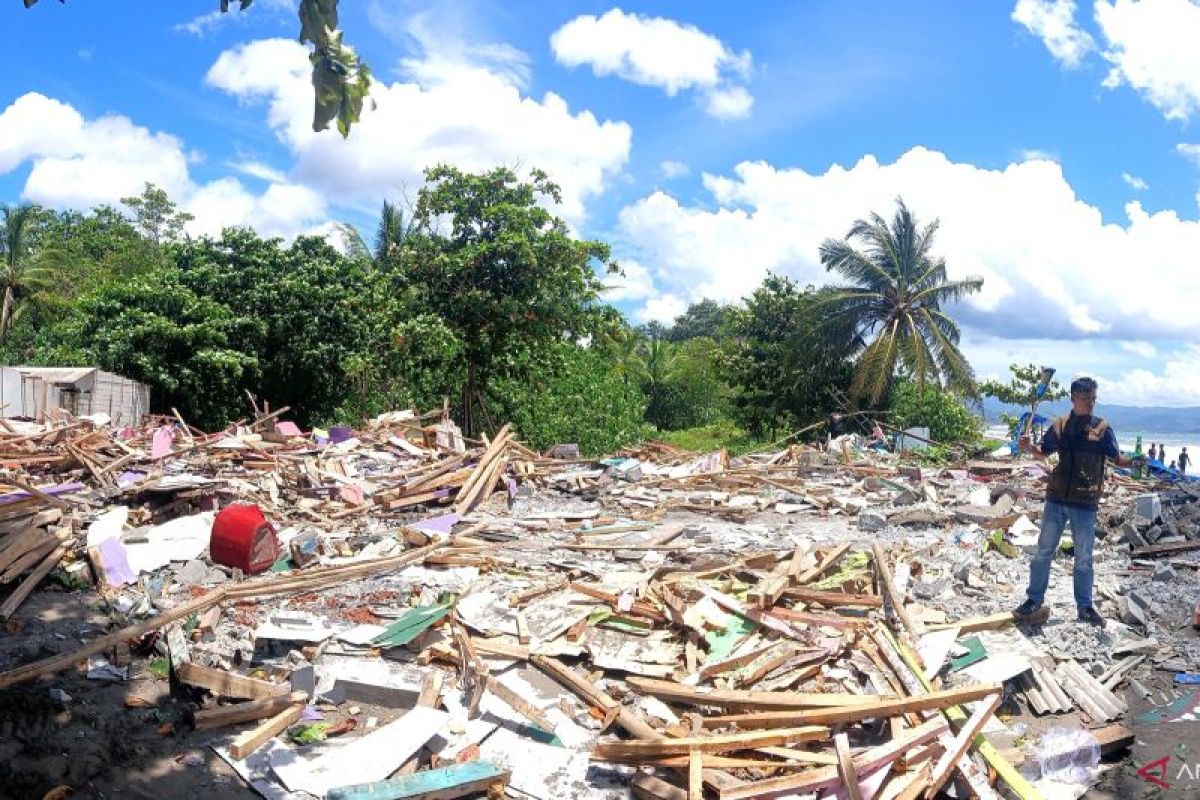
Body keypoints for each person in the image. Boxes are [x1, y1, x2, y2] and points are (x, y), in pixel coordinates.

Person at [1014, 377, 1138, 627]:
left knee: (1084, 558)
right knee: (1043, 552)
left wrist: (1136, 461)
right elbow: (1043, 453)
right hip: (1056, 498)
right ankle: (1034, 599)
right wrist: (1028, 448)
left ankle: (1085, 607)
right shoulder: (1060, 425)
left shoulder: (1102, 428)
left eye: (1093, 398)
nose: (1090, 403)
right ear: (1073, 398)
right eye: (1085, 398)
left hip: (1086, 501)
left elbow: (1116, 458)